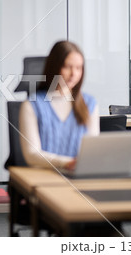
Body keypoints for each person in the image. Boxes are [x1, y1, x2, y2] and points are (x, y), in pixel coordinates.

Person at [19, 40, 99, 170]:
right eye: (67, 67)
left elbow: (93, 151)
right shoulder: (32, 105)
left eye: (79, 68)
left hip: (80, 176)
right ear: (54, 67)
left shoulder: (89, 104)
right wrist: (67, 163)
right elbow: (31, 154)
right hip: (43, 177)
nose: (74, 74)